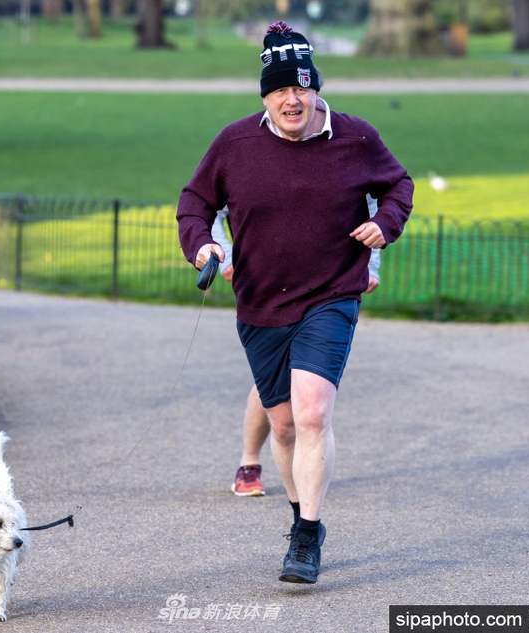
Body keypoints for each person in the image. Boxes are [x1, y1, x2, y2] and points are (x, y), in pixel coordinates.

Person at [176, 21, 413, 584]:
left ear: (316, 90)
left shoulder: (354, 137)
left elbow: (398, 185)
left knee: (312, 411)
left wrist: (385, 223)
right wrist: (203, 244)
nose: (293, 99)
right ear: (265, 95)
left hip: (332, 292)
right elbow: (193, 203)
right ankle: (297, 513)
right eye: (281, 89)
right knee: (281, 427)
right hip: (259, 299)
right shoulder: (234, 144)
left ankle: (306, 535)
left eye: (302, 88)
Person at [213, 205, 382, 498]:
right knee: (274, 385)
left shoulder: (349, 159)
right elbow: (209, 207)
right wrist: (226, 254)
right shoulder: (251, 159)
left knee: (306, 392)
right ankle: (250, 462)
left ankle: (305, 499)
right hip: (267, 287)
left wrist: (370, 266)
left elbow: (370, 208)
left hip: (327, 289)